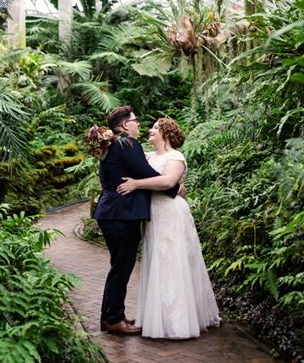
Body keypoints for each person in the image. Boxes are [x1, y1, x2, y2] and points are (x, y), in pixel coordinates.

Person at [117, 117, 221, 340]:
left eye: (155, 128)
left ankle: (178, 323)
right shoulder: (148, 156)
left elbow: (167, 183)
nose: (150, 131)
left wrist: (136, 184)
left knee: (173, 262)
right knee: (157, 263)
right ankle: (157, 317)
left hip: (172, 214)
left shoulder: (176, 157)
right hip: (153, 216)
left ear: (166, 133)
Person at [93, 106, 181, 336]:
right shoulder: (127, 144)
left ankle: (110, 316)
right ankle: (113, 319)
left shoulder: (112, 145)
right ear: (124, 125)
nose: (138, 124)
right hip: (122, 213)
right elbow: (146, 172)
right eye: (135, 120)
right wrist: (175, 188)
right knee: (122, 266)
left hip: (113, 212)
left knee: (119, 266)